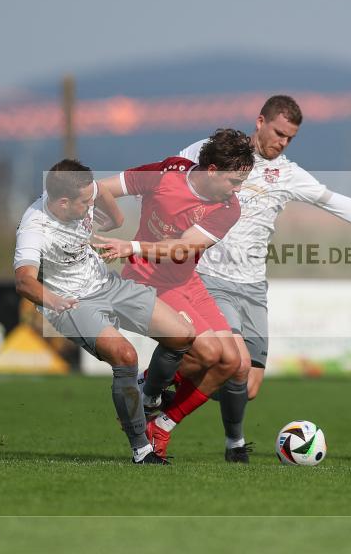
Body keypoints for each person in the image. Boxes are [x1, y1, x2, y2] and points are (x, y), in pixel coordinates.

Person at [168, 95, 351, 462]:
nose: (282, 143)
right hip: (211, 276)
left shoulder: (288, 174)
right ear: (260, 121)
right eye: (278, 133)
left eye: (290, 138)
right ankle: (181, 412)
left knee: (249, 384)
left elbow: (337, 203)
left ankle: (218, 427)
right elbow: (168, 178)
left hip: (254, 286)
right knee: (235, 362)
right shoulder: (215, 152)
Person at [14, 159, 196, 465]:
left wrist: (116, 217)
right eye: (85, 202)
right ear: (62, 203)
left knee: (182, 335)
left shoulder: (80, 192)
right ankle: (142, 449)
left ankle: (148, 395)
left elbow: (99, 191)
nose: (90, 204)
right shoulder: (35, 229)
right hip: (71, 303)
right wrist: (54, 300)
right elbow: (23, 281)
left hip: (107, 284)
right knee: (125, 356)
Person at [94, 128, 254, 458]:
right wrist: (106, 218)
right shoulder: (167, 173)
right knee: (209, 353)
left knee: (234, 363)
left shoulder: (228, 208)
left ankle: (160, 424)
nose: (238, 191)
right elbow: (101, 188)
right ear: (212, 170)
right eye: (234, 182)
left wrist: (131, 245)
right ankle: (148, 391)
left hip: (186, 282)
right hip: (146, 279)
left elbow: (182, 248)